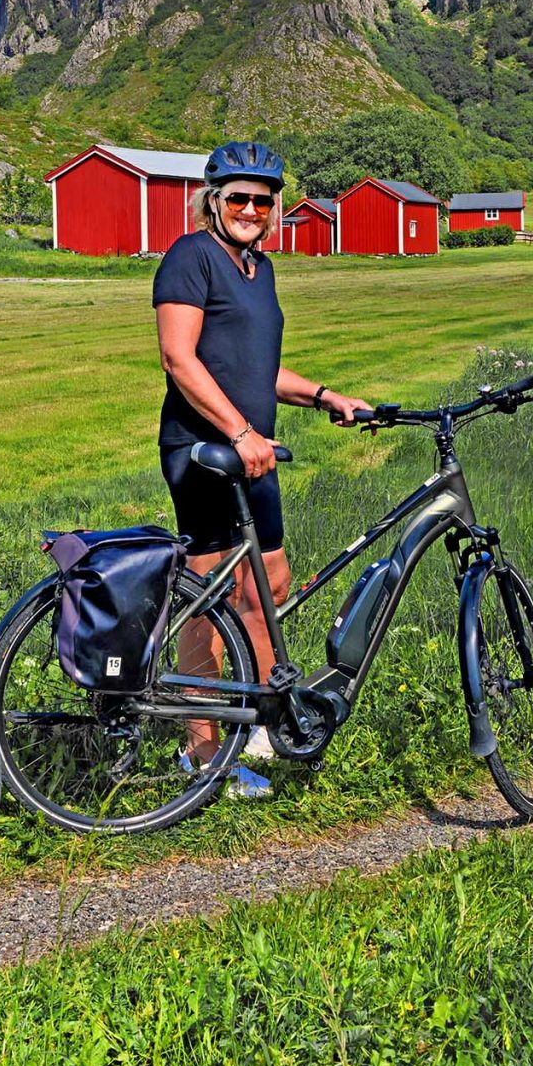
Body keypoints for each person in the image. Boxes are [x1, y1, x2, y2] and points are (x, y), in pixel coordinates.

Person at [155, 142, 369, 800]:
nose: (252, 209)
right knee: (206, 600)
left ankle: (262, 721)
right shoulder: (191, 257)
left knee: (269, 584)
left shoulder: (260, 268)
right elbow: (179, 359)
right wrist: (240, 430)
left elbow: (254, 369)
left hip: (254, 452)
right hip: (206, 452)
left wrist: (324, 394)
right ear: (213, 200)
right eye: (239, 197)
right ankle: (201, 751)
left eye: (263, 199)